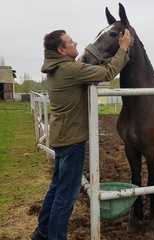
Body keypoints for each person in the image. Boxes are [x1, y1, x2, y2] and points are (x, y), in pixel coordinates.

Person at [30, 29, 131, 240]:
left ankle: (42, 231)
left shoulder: (55, 68)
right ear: (61, 49)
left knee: (57, 187)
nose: (76, 43)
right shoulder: (69, 69)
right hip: (72, 141)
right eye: (70, 42)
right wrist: (122, 49)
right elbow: (106, 74)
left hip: (61, 137)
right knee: (67, 197)